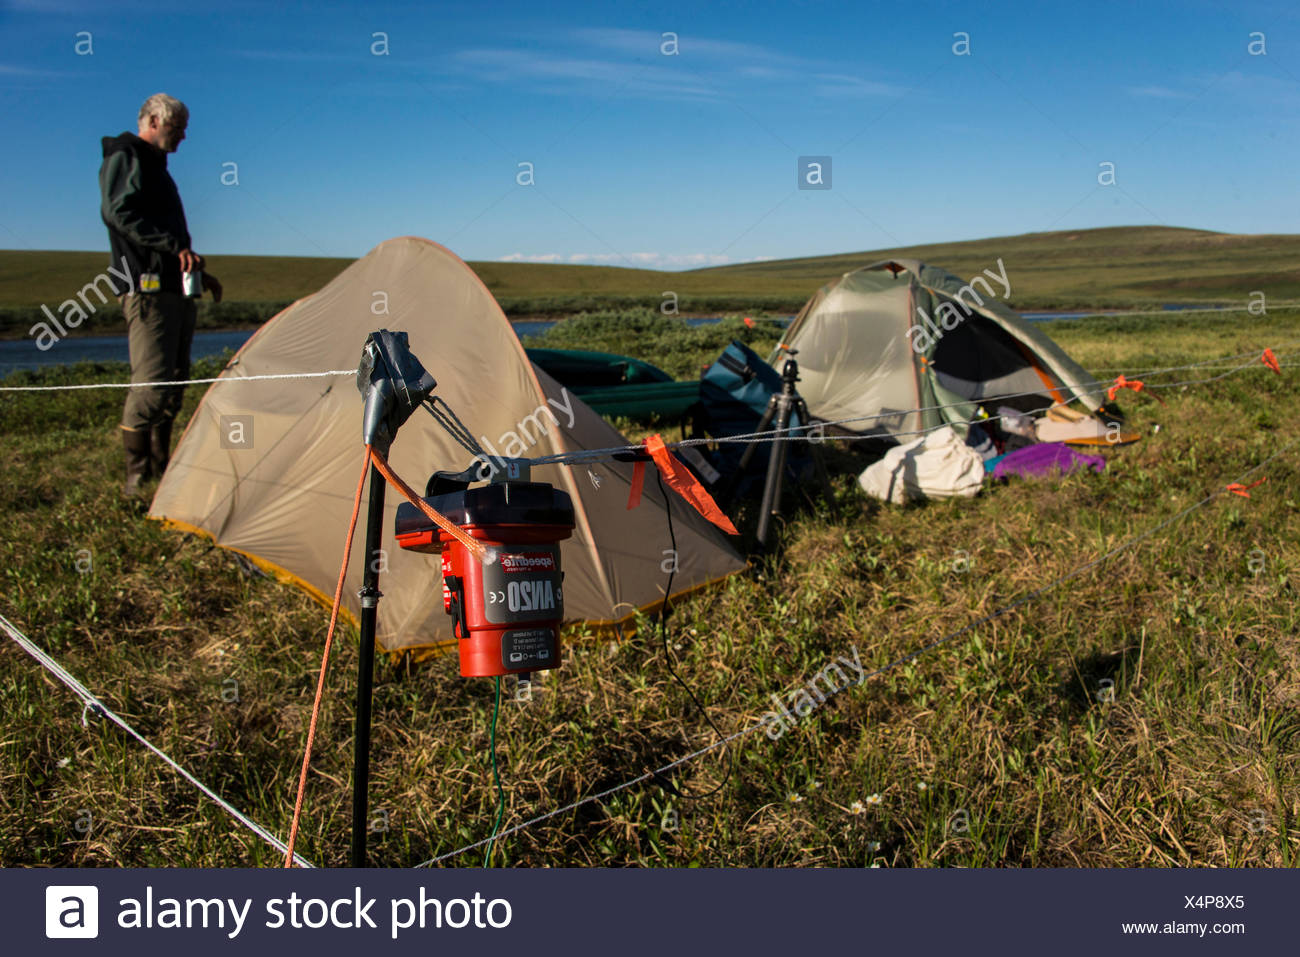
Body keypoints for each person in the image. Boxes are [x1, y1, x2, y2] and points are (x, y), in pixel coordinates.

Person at [99, 92, 222, 496]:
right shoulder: (128, 155)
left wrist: (198, 274)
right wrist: (174, 248)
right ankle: (136, 482)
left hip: (173, 290)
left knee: (174, 381)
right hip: (147, 292)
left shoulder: (157, 168)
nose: (183, 137)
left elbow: (165, 238)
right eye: (177, 128)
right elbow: (118, 212)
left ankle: (159, 469)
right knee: (151, 385)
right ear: (153, 120)